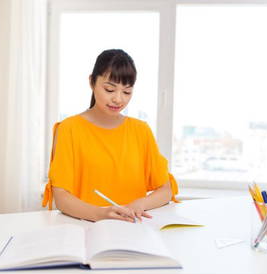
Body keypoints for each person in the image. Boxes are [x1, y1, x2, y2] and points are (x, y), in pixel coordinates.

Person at [42, 49, 179, 223]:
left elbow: (166, 190)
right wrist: (99, 214)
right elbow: (61, 197)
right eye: (109, 89)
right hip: (84, 228)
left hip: (132, 228)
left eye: (127, 92)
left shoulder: (140, 130)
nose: (118, 99)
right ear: (92, 82)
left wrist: (140, 204)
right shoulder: (69, 129)